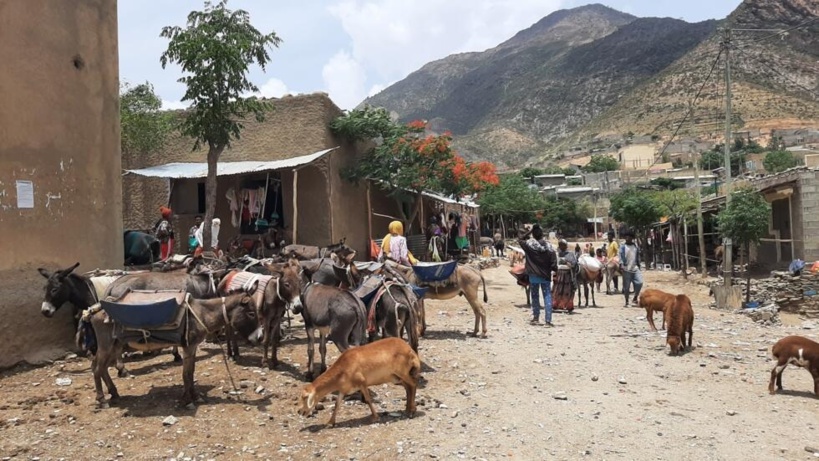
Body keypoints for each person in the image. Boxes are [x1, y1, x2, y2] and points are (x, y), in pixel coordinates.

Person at [519, 224, 556, 326]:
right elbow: (554, 262)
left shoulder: (529, 245)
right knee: (547, 296)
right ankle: (548, 321)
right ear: (542, 235)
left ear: (534, 235)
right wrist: (554, 269)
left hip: (533, 275)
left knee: (535, 296)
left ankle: (536, 318)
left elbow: (520, 239)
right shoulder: (549, 246)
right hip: (545, 276)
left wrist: (530, 231)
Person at [619, 230, 643, 307]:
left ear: (632, 238)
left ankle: (635, 297)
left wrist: (639, 264)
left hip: (635, 268)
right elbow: (620, 256)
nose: (627, 238)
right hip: (626, 269)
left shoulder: (635, 246)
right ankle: (626, 301)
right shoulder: (622, 246)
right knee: (627, 287)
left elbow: (638, 256)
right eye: (626, 237)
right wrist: (621, 264)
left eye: (629, 237)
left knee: (639, 282)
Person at [553, 240, 577, 312]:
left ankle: (569, 306)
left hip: (568, 275)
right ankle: (557, 305)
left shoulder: (570, 254)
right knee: (558, 290)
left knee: (568, 290)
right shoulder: (557, 254)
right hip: (559, 274)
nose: (562, 247)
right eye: (561, 245)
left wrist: (566, 262)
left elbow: (574, 264)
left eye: (564, 245)